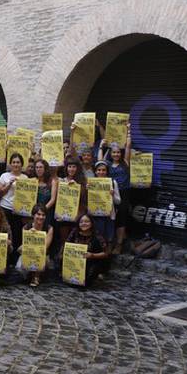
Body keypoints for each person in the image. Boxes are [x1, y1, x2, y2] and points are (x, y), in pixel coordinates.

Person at [98, 123, 132, 253]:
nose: (116, 154)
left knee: (122, 219)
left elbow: (128, 145)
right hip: (110, 194)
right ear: (111, 154)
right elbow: (99, 161)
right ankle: (110, 243)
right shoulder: (107, 165)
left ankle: (119, 244)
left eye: (118, 152)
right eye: (114, 152)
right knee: (112, 218)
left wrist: (128, 130)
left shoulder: (125, 163)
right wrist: (101, 146)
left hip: (124, 194)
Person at [61, 213, 109, 287]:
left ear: (91, 223)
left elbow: (106, 253)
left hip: (91, 261)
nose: (84, 224)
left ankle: (97, 275)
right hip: (75, 261)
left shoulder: (97, 235)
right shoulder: (74, 232)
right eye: (81, 222)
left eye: (87, 221)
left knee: (86, 283)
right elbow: (66, 245)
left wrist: (92, 255)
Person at [0, 153, 27, 266]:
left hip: (19, 210)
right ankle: (4, 259)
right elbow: (0, 192)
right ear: (10, 164)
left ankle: (14, 260)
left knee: (17, 234)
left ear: (21, 164)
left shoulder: (25, 178)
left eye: (18, 162)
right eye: (14, 162)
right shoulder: (4, 176)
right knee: (5, 234)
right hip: (5, 207)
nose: (16, 164)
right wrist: (9, 184)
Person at [55, 156, 88, 255]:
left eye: (74, 167)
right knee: (64, 240)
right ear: (66, 168)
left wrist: (77, 186)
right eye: (69, 166)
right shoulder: (61, 181)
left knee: (76, 241)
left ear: (77, 168)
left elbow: (84, 199)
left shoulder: (83, 181)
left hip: (78, 216)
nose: (71, 169)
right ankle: (63, 262)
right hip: (63, 216)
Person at [91, 160, 121, 250]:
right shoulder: (91, 183)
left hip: (109, 215)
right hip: (95, 215)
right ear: (95, 171)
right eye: (99, 170)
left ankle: (107, 258)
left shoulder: (112, 182)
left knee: (109, 238)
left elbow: (118, 201)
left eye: (103, 170)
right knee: (97, 238)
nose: (101, 172)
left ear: (107, 171)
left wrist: (112, 195)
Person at [21, 204, 54, 287]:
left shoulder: (49, 228)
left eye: (43, 215)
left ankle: (36, 277)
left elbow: (46, 246)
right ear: (33, 215)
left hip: (43, 254)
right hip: (29, 253)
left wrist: (36, 234)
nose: (41, 217)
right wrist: (30, 234)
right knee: (19, 268)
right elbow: (25, 245)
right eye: (38, 214)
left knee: (41, 256)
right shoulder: (26, 228)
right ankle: (30, 274)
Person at [34, 159, 58, 228]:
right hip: (34, 214)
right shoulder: (32, 181)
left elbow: (53, 200)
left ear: (45, 169)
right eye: (37, 167)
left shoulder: (52, 181)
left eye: (41, 167)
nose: (38, 169)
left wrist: (42, 211)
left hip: (48, 212)